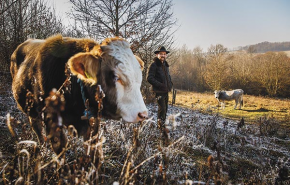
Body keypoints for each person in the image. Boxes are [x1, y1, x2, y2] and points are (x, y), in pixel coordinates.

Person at [147, 46, 173, 123]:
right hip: (159, 91)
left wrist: (170, 84)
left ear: (166, 55)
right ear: (157, 55)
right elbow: (149, 78)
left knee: (166, 109)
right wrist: (160, 85)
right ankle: (160, 127)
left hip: (166, 91)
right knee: (162, 109)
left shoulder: (165, 65)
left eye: (164, 54)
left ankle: (162, 124)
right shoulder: (154, 65)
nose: (163, 55)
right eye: (161, 54)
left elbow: (168, 76)